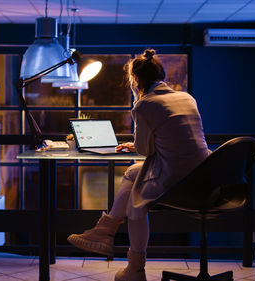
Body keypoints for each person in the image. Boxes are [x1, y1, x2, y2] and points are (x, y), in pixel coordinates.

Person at [67, 49, 211, 281]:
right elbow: (171, 139)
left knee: (136, 196)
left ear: (136, 80)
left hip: (177, 181)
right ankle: (108, 233)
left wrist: (138, 100)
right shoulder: (187, 98)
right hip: (205, 175)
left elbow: (145, 150)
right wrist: (140, 143)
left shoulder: (145, 104)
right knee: (134, 173)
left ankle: (129, 260)